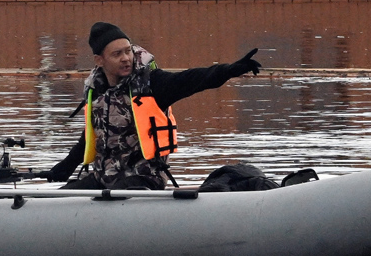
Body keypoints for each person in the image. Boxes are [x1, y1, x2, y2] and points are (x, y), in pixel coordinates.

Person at [45, 22, 261, 190]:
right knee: (64, 196)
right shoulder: (96, 91)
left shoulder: (152, 84)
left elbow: (193, 79)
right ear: (99, 60)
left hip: (143, 179)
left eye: (128, 51)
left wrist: (230, 70)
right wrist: (67, 165)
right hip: (104, 178)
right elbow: (90, 137)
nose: (125, 58)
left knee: (114, 197)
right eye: (117, 54)